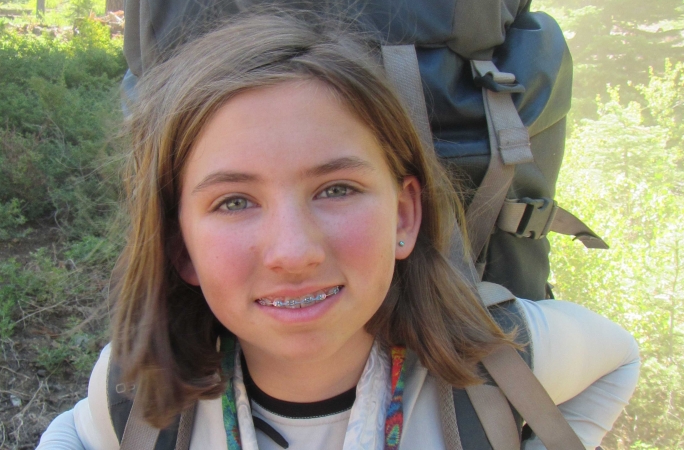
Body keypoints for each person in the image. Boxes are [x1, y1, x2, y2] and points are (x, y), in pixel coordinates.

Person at [38, 12, 640, 450]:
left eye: (336, 190)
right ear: (180, 248)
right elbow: (73, 433)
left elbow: (618, 359)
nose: (293, 253)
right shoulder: (143, 396)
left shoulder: (497, 360)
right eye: (235, 201)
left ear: (405, 217)